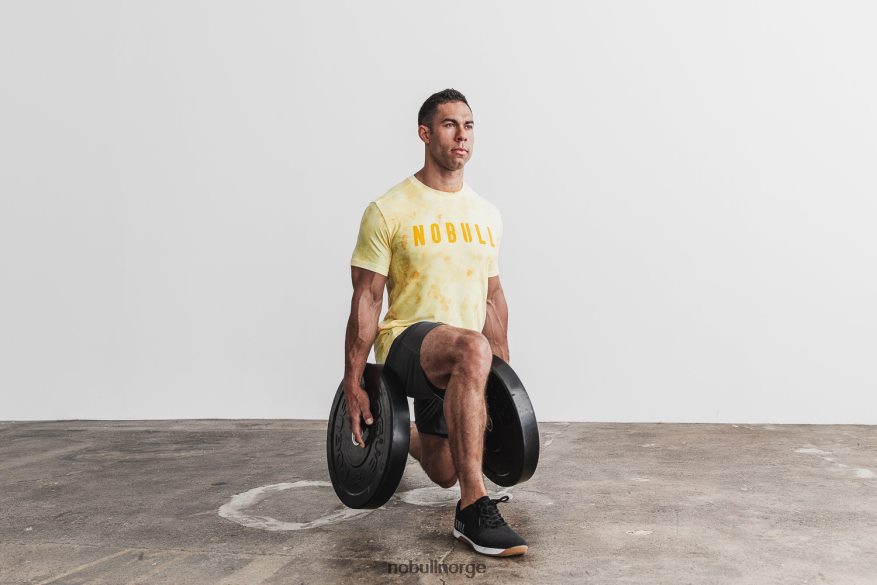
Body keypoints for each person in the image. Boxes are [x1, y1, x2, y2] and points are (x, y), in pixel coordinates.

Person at [342, 89, 527, 557]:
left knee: (446, 468)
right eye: (449, 125)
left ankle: (401, 435)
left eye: (468, 125)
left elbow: (492, 296)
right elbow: (367, 297)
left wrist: (500, 378)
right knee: (471, 347)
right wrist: (353, 380)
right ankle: (472, 509)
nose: (462, 135)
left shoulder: (487, 214)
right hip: (406, 341)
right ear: (425, 134)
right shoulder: (388, 209)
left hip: (462, 359)